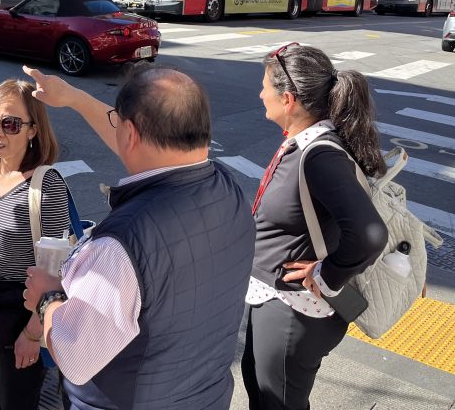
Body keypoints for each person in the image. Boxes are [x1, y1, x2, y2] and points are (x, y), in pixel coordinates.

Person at [22, 64, 255, 410]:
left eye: (119, 123)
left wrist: (48, 298)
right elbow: (145, 149)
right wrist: (75, 98)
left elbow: (74, 356)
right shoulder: (229, 191)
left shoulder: (121, 246)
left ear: (129, 133)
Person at [241, 43, 388, 410]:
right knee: (262, 390)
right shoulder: (303, 143)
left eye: (265, 87)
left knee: (279, 401)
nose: (260, 94)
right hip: (276, 301)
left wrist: (326, 276)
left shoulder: (319, 155)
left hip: (296, 310)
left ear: (288, 99)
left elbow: (370, 234)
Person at [0, 79, 71, 410]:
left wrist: (32, 333)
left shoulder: (46, 185)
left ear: (32, 130)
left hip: (22, 312)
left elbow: (55, 271)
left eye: (10, 124)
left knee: (16, 402)